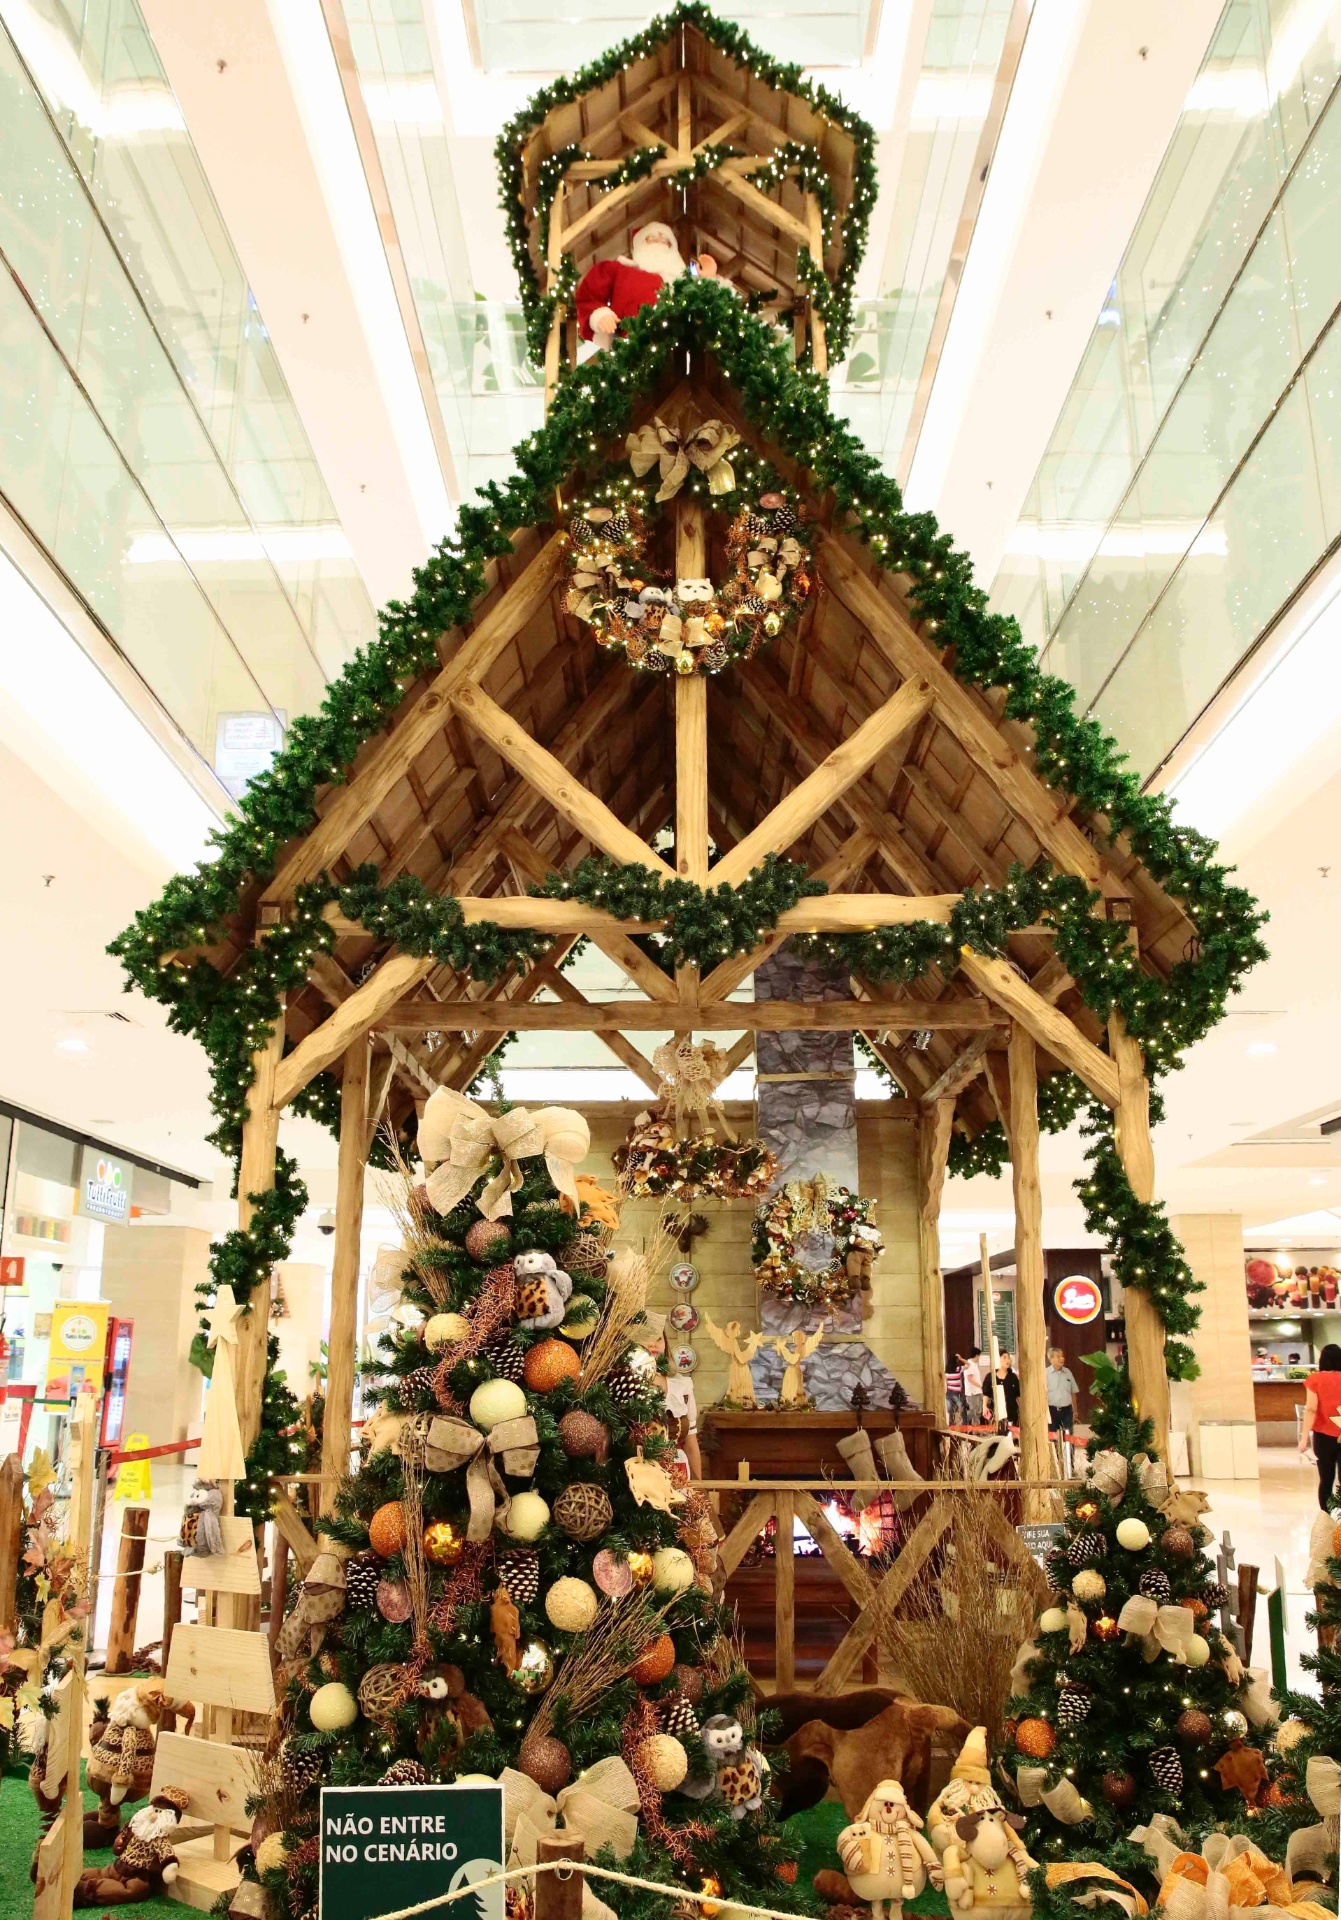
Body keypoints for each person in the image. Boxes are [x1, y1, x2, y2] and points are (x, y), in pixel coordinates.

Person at [1299, 1341, 1341, 1509]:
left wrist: (1304, 1438)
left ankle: (1327, 1516)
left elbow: (1311, 1409)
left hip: (1324, 1436)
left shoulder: (1315, 1379)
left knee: (1326, 1479)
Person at [1046, 1347, 1079, 1434]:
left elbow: (1073, 1392)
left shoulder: (1068, 1372)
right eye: (1058, 1356)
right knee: (1052, 1437)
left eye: (1062, 1356)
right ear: (1051, 1359)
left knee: (1068, 1436)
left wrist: (1075, 1410)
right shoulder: (1045, 1373)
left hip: (1067, 1411)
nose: (1061, 1358)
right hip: (1051, 1411)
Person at [962, 1349, 986, 1425]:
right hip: (972, 1392)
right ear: (976, 1355)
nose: (979, 1358)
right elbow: (970, 1379)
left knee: (978, 1411)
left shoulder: (974, 1364)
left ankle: (977, 1427)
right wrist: (980, 1385)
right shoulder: (969, 1364)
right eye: (979, 1356)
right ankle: (973, 1427)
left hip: (977, 1391)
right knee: (974, 1412)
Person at [995, 1353, 1020, 1427]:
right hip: (997, 1412)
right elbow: (986, 1394)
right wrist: (984, 1406)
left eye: (1008, 1358)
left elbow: (1018, 1394)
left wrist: (1021, 1409)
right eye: (1004, 1358)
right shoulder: (991, 1376)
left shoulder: (1013, 1377)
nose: (1007, 1360)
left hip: (1011, 1411)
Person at [944, 1354, 967, 1426]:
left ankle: (951, 1424)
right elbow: (968, 1365)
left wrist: (945, 1392)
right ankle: (960, 1423)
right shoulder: (958, 1369)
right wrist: (961, 1358)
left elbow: (945, 1383)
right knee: (960, 1409)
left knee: (950, 1410)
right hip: (957, 1392)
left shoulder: (946, 1371)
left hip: (948, 1392)